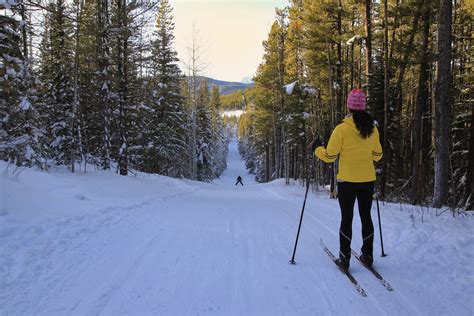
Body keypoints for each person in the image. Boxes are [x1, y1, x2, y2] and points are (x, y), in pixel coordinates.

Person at [311, 89, 383, 271]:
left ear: (349, 107)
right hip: (367, 180)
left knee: (347, 218)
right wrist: (366, 155)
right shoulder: (372, 130)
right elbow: (378, 155)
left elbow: (329, 156)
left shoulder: (342, 129)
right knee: (366, 217)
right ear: (363, 107)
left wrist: (317, 149)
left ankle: (344, 258)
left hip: (347, 181)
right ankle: (368, 255)